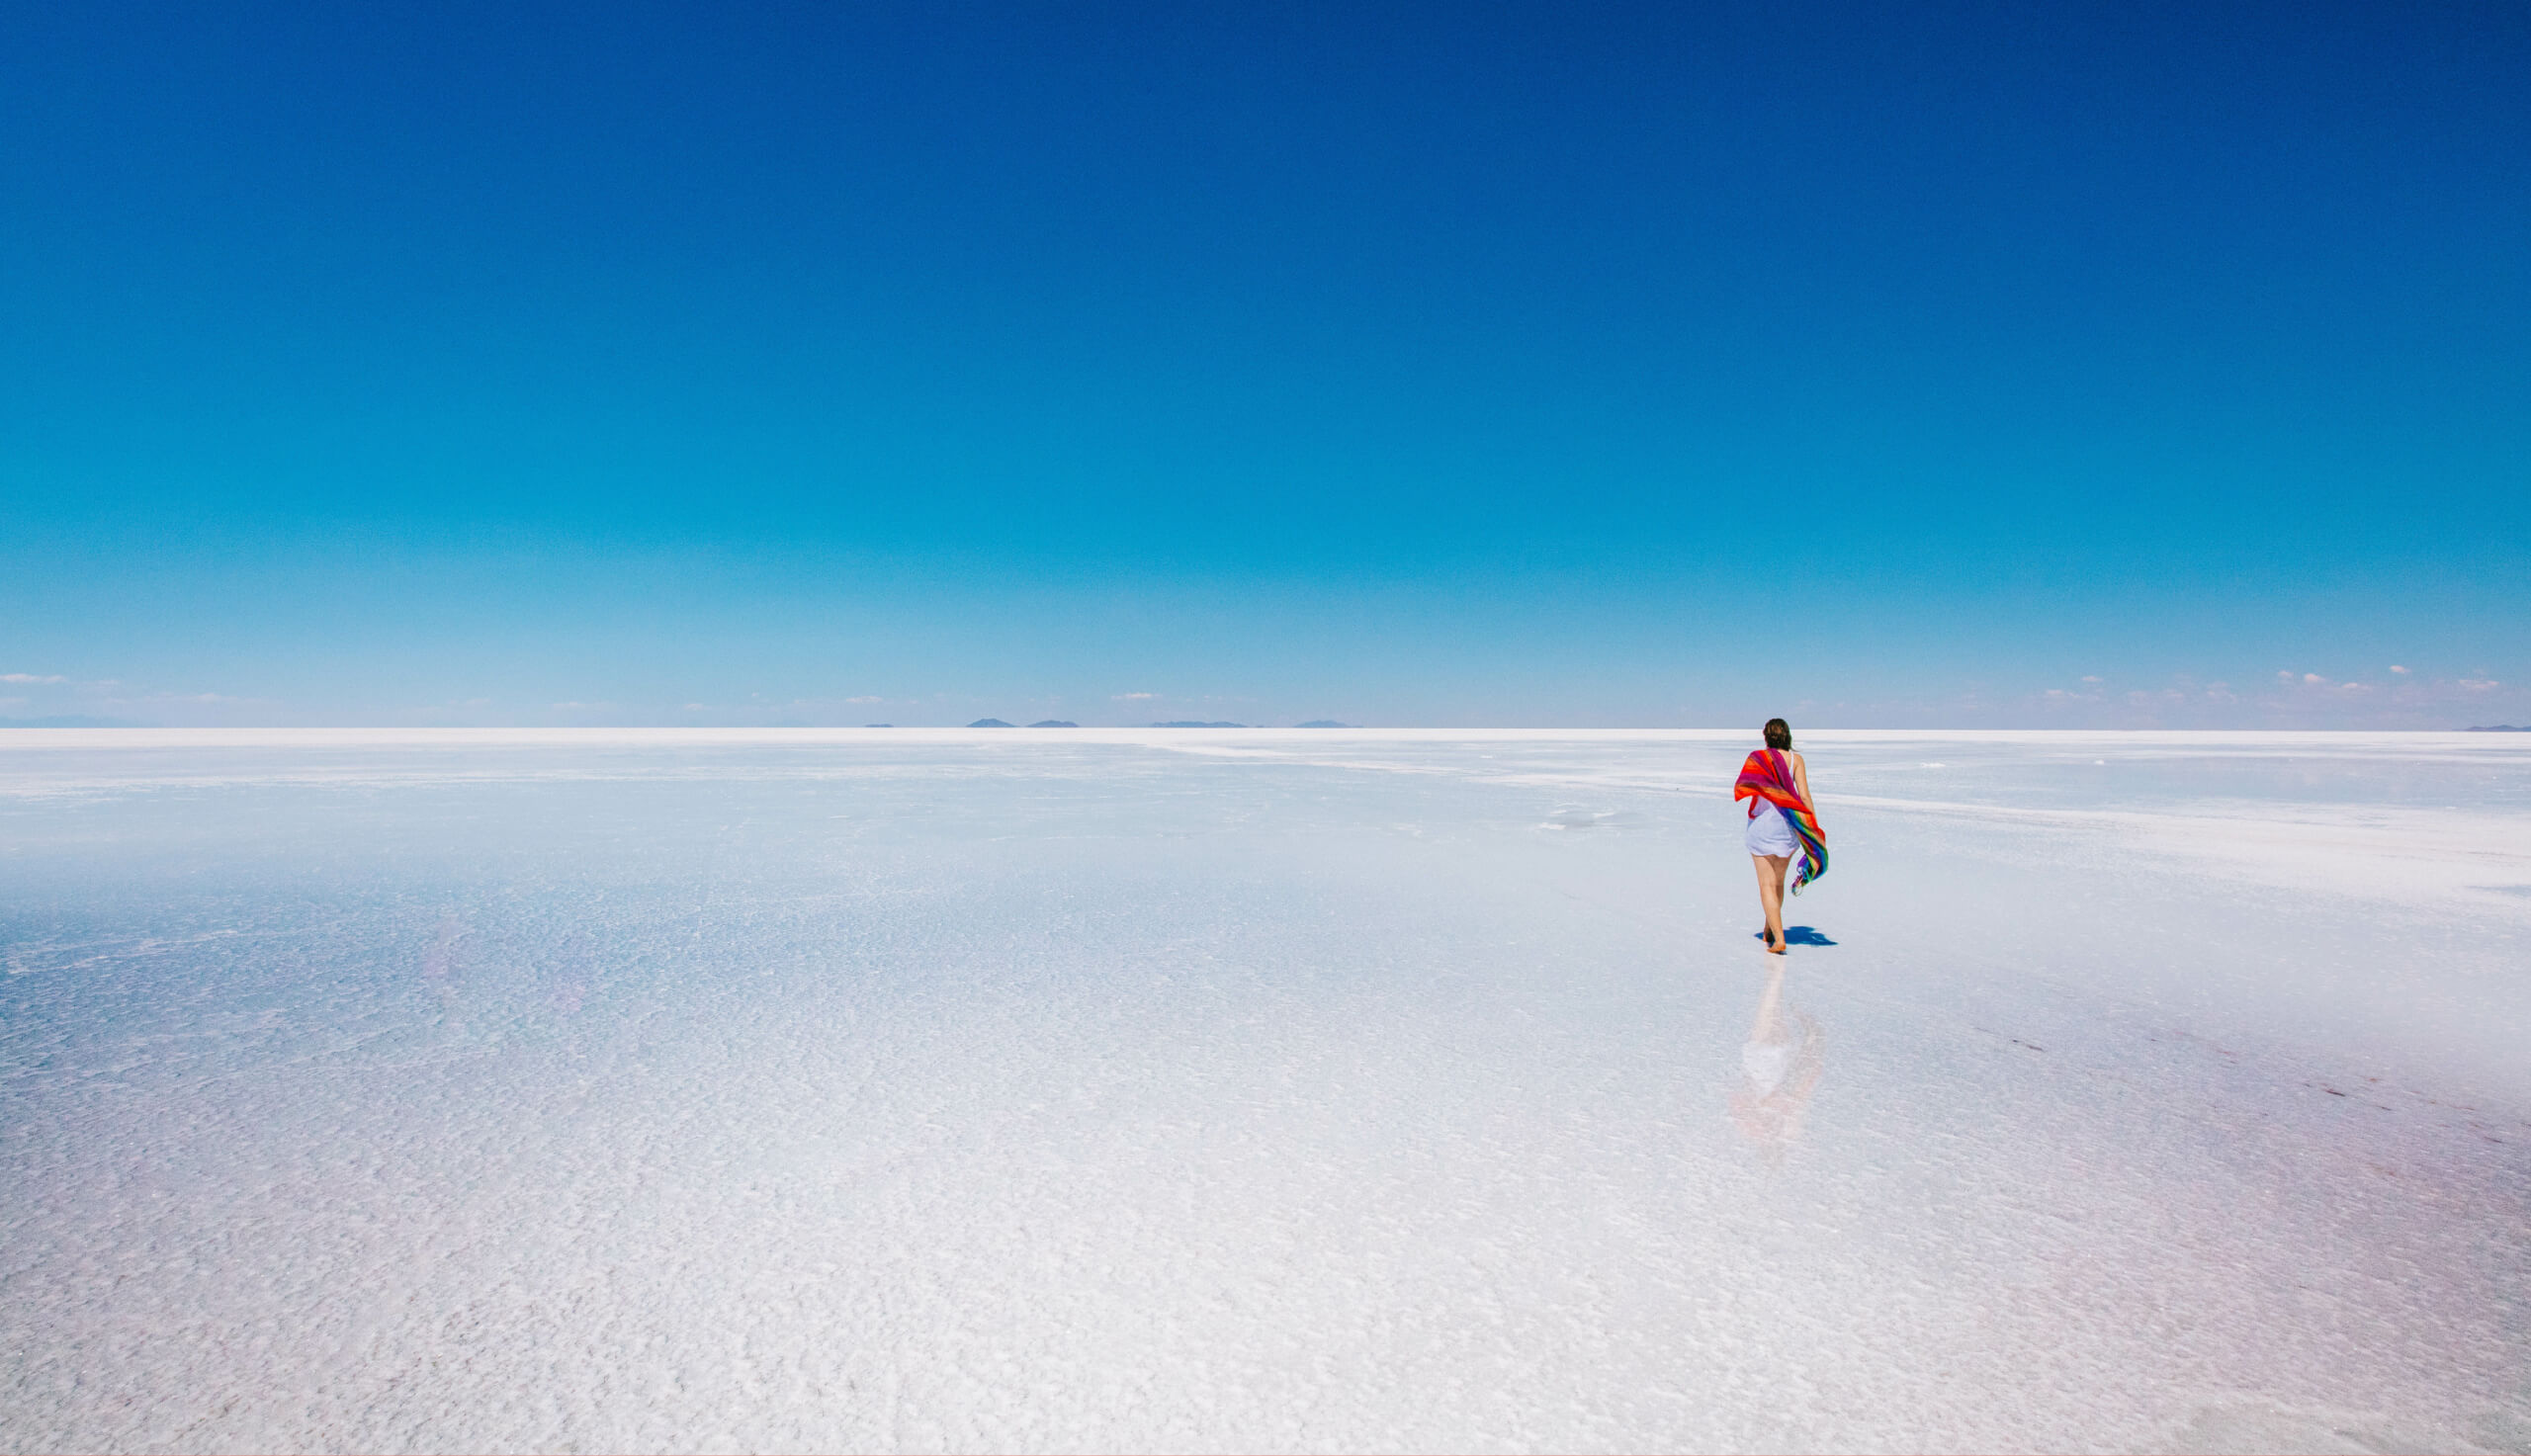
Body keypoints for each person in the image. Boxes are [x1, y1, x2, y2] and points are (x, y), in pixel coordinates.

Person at [1733, 719, 1827, 955]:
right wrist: (1811, 828)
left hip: (1763, 826)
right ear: (1787, 736)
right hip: (1788, 826)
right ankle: (1769, 928)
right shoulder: (1797, 760)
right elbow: (1804, 796)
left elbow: (1745, 783)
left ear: (1766, 737)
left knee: (1766, 885)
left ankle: (1779, 938)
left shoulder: (1758, 758)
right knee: (1777, 883)